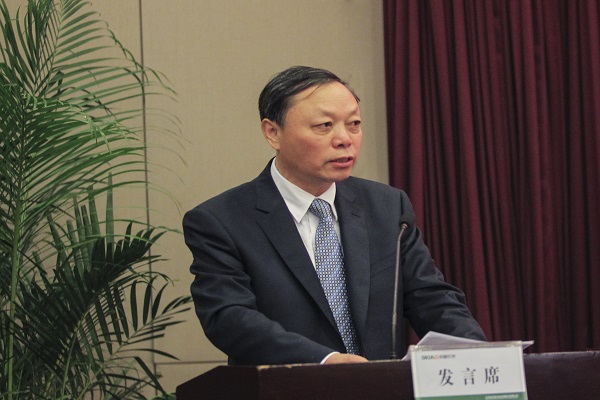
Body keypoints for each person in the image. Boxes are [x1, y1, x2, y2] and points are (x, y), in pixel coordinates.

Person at [183, 66, 486, 366]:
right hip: (287, 386)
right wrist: (326, 361)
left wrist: (478, 354)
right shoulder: (222, 221)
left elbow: (431, 298)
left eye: (354, 124)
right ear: (273, 133)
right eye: (324, 125)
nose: (344, 139)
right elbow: (230, 318)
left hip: (381, 387)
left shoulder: (387, 207)